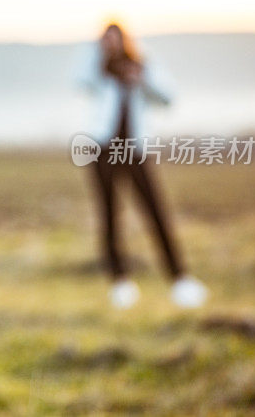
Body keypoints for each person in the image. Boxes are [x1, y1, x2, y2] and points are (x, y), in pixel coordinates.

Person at [77, 23, 208, 310]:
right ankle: (120, 282)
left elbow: (167, 98)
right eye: (105, 40)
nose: (110, 45)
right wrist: (99, 56)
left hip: (134, 149)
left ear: (125, 40)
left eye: (115, 39)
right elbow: (80, 81)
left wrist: (142, 79)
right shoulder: (99, 69)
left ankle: (179, 278)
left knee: (155, 211)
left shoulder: (143, 65)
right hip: (102, 149)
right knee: (109, 214)